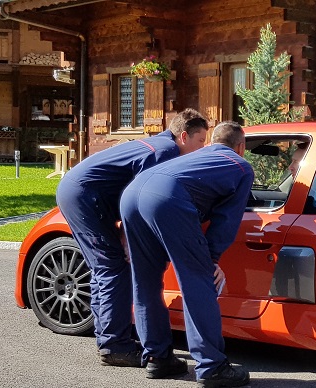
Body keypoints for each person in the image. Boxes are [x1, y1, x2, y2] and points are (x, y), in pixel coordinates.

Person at [55, 109, 209, 367]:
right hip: (84, 196)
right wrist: (127, 236)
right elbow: (139, 195)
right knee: (113, 267)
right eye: (201, 141)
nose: (203, 148)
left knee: (105, 267)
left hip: (81, 192)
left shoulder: (159, 144)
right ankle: (115, 346)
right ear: (184, 136)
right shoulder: (166, 152)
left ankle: (110, 338)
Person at [120, 121, 254, 387]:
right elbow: (227, 218)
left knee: (145, 281)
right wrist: (211, 258)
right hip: (167, 197)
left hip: (133, 192)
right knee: (198, 281)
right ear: (241, 147)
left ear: (213, 141)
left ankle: (158, 358)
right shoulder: (241, 166)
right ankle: (212, 366)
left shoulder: (197, 156)